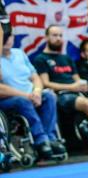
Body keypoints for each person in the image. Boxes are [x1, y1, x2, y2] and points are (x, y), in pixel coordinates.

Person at [0, 28, 65, 159]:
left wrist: (37, 91)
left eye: (10, 36)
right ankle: (40, 140)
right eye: (5, 36)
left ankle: (50, 139)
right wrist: (26, 96)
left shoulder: (19, 53)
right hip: (11, 99)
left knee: (49, 96)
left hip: (31, 95)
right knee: (22, 101)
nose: (8, 40)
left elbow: (35, 77)